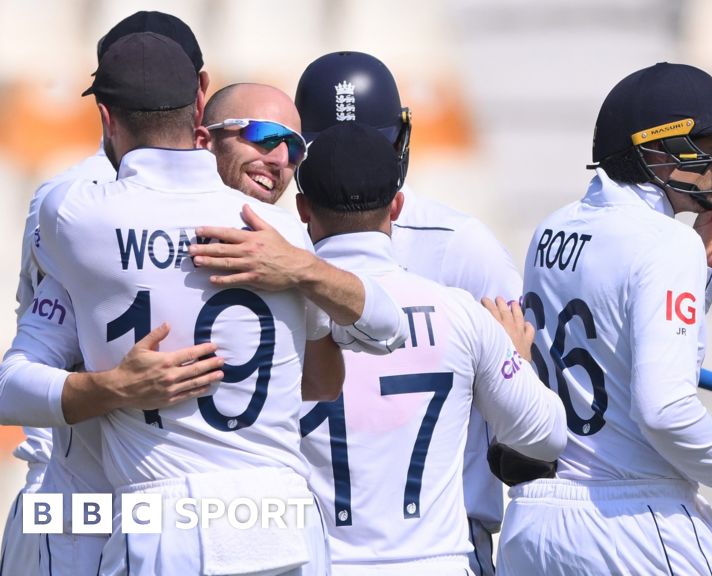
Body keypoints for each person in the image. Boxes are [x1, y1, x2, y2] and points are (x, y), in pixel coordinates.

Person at [30, 32, 344, 575]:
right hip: (267, 517)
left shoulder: (73, 209)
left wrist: (113, 388)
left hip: (163, 517)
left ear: (107, 117)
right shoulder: (291, 234)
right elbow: (363, 341)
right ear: (200, 105)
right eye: (265, 136)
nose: (279, 158)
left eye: (293, 145)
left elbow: (15, 384)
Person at [211, 119, 562, 574]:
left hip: (314, 563)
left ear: (302, 209)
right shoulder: (461, 313)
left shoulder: (273, 320)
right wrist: (516, 357)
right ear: (396, 206)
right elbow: (546, 436)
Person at [496, 62, 712, 575]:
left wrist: (704, 270)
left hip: (536, 521)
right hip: (634, 522)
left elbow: (631, 348)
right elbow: (665, 409)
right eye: (708, 148)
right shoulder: (666, 243)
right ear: (655, 150)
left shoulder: (553, 228)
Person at [291, 51, 523, 573]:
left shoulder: (461, 244)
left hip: (423, 534)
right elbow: (529, 410)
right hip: (393, 546)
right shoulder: (460, 241)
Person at [0, 12, 212, 575]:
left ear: (105, 106)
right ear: (199, 90)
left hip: (162, 509)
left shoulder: (72, 198)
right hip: (80, 499)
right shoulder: (72, 204)